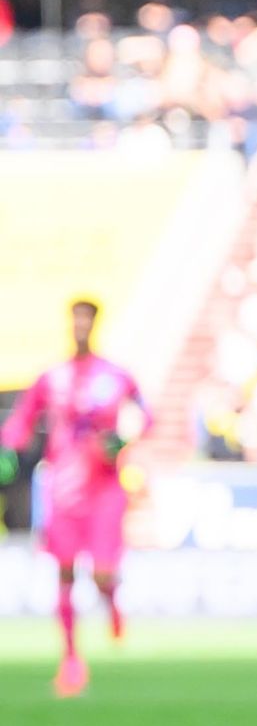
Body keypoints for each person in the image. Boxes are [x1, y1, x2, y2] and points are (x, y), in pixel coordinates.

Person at [8, 295, 142, 697]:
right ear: (70, 324)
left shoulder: (115, 376)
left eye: (86, 319)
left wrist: (123, 441)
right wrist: (8, 447)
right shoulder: (53, 378)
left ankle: (111, 599)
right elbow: (21, 421)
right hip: (63, 489)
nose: (80, 326)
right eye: (75, 319)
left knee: (101, 571)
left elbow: (143, 415)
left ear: (94, 324)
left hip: (103, 489)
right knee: (64, 570)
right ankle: (70, 659)